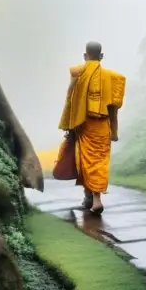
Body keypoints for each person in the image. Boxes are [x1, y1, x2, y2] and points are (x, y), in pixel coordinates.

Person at [58, 41, 126, 214]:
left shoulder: (77, 73)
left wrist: (68, 125)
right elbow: (113, 109)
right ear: (101, 56)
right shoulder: (113, 78)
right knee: (98, 162)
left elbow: (70, 101)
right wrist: (115, 132)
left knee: (85, 161)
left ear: (84, 55)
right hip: (102, 126)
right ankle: (91, 198)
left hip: (82, 125)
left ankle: (94, 199)